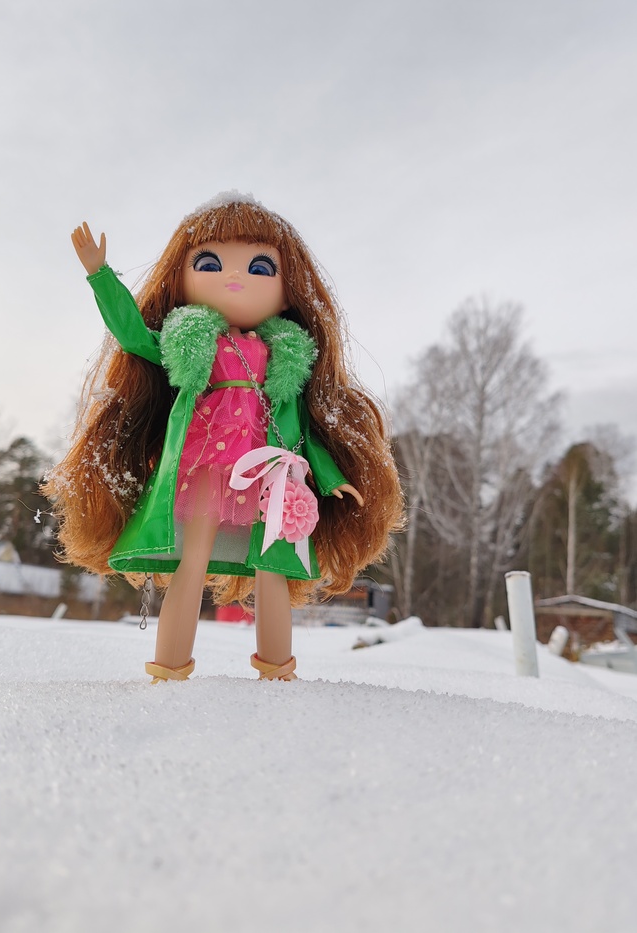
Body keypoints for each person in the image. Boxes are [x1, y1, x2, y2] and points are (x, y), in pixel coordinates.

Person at [44, 192, 403, 682]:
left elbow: (302, 427)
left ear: (288, 291)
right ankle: (169, 668)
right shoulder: (192, 343)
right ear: (180, 280)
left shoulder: (286, 357)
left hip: (269, 468)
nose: (235, 277)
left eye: (260, 267)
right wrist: (100, 276)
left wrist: (329, 476)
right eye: (210, 264)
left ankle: (278, 670)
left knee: (271, 564)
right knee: (192, 561)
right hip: (208, 461)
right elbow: (133, 336)